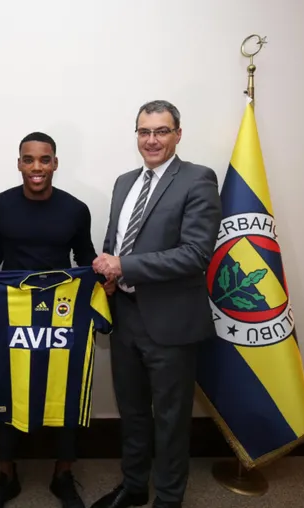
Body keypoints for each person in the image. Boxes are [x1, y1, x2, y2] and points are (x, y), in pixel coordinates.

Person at [0, 132, 110, 508]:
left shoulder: (76, 209)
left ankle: (63, 474)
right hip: (13, 310)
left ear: (55, 163)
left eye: (44, 159)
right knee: (6, 384)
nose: (36, 167)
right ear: (19, 163)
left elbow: (85, 255)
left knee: (67, 383)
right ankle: (5, 476)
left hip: (62, 312)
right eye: (28, 159)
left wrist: (102, 277)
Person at [91, 100, 222, 508]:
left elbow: (195, 254)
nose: (152, 140)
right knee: (131, 411)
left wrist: (124, 265)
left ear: (178, 134)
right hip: (126, 316)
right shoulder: (124, 182)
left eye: (161, 131)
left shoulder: (198, 179)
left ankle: (168, 498)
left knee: (170, 418)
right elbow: (116, 242)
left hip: (171, 322)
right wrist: (110, 274)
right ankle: (134, 487)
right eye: (144, 131)